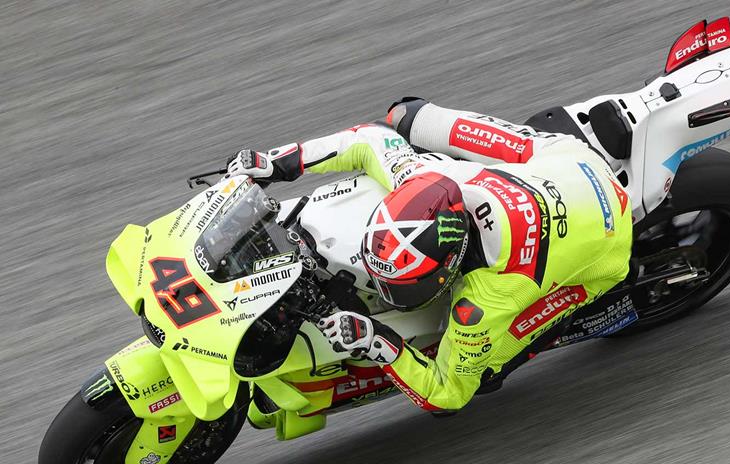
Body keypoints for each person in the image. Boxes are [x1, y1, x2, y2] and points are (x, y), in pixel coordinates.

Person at [226, 98, 632, 412]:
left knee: (483, 372)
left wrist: (374, 339)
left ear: (449, 268)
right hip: (560, 162)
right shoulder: (425, 180)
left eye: (399, 287)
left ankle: (595, 303)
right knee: (405, 114)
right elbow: (369, 139)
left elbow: (447, 394)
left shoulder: (485, 298)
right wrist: (277, 163)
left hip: (608, 242)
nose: (387, 294)